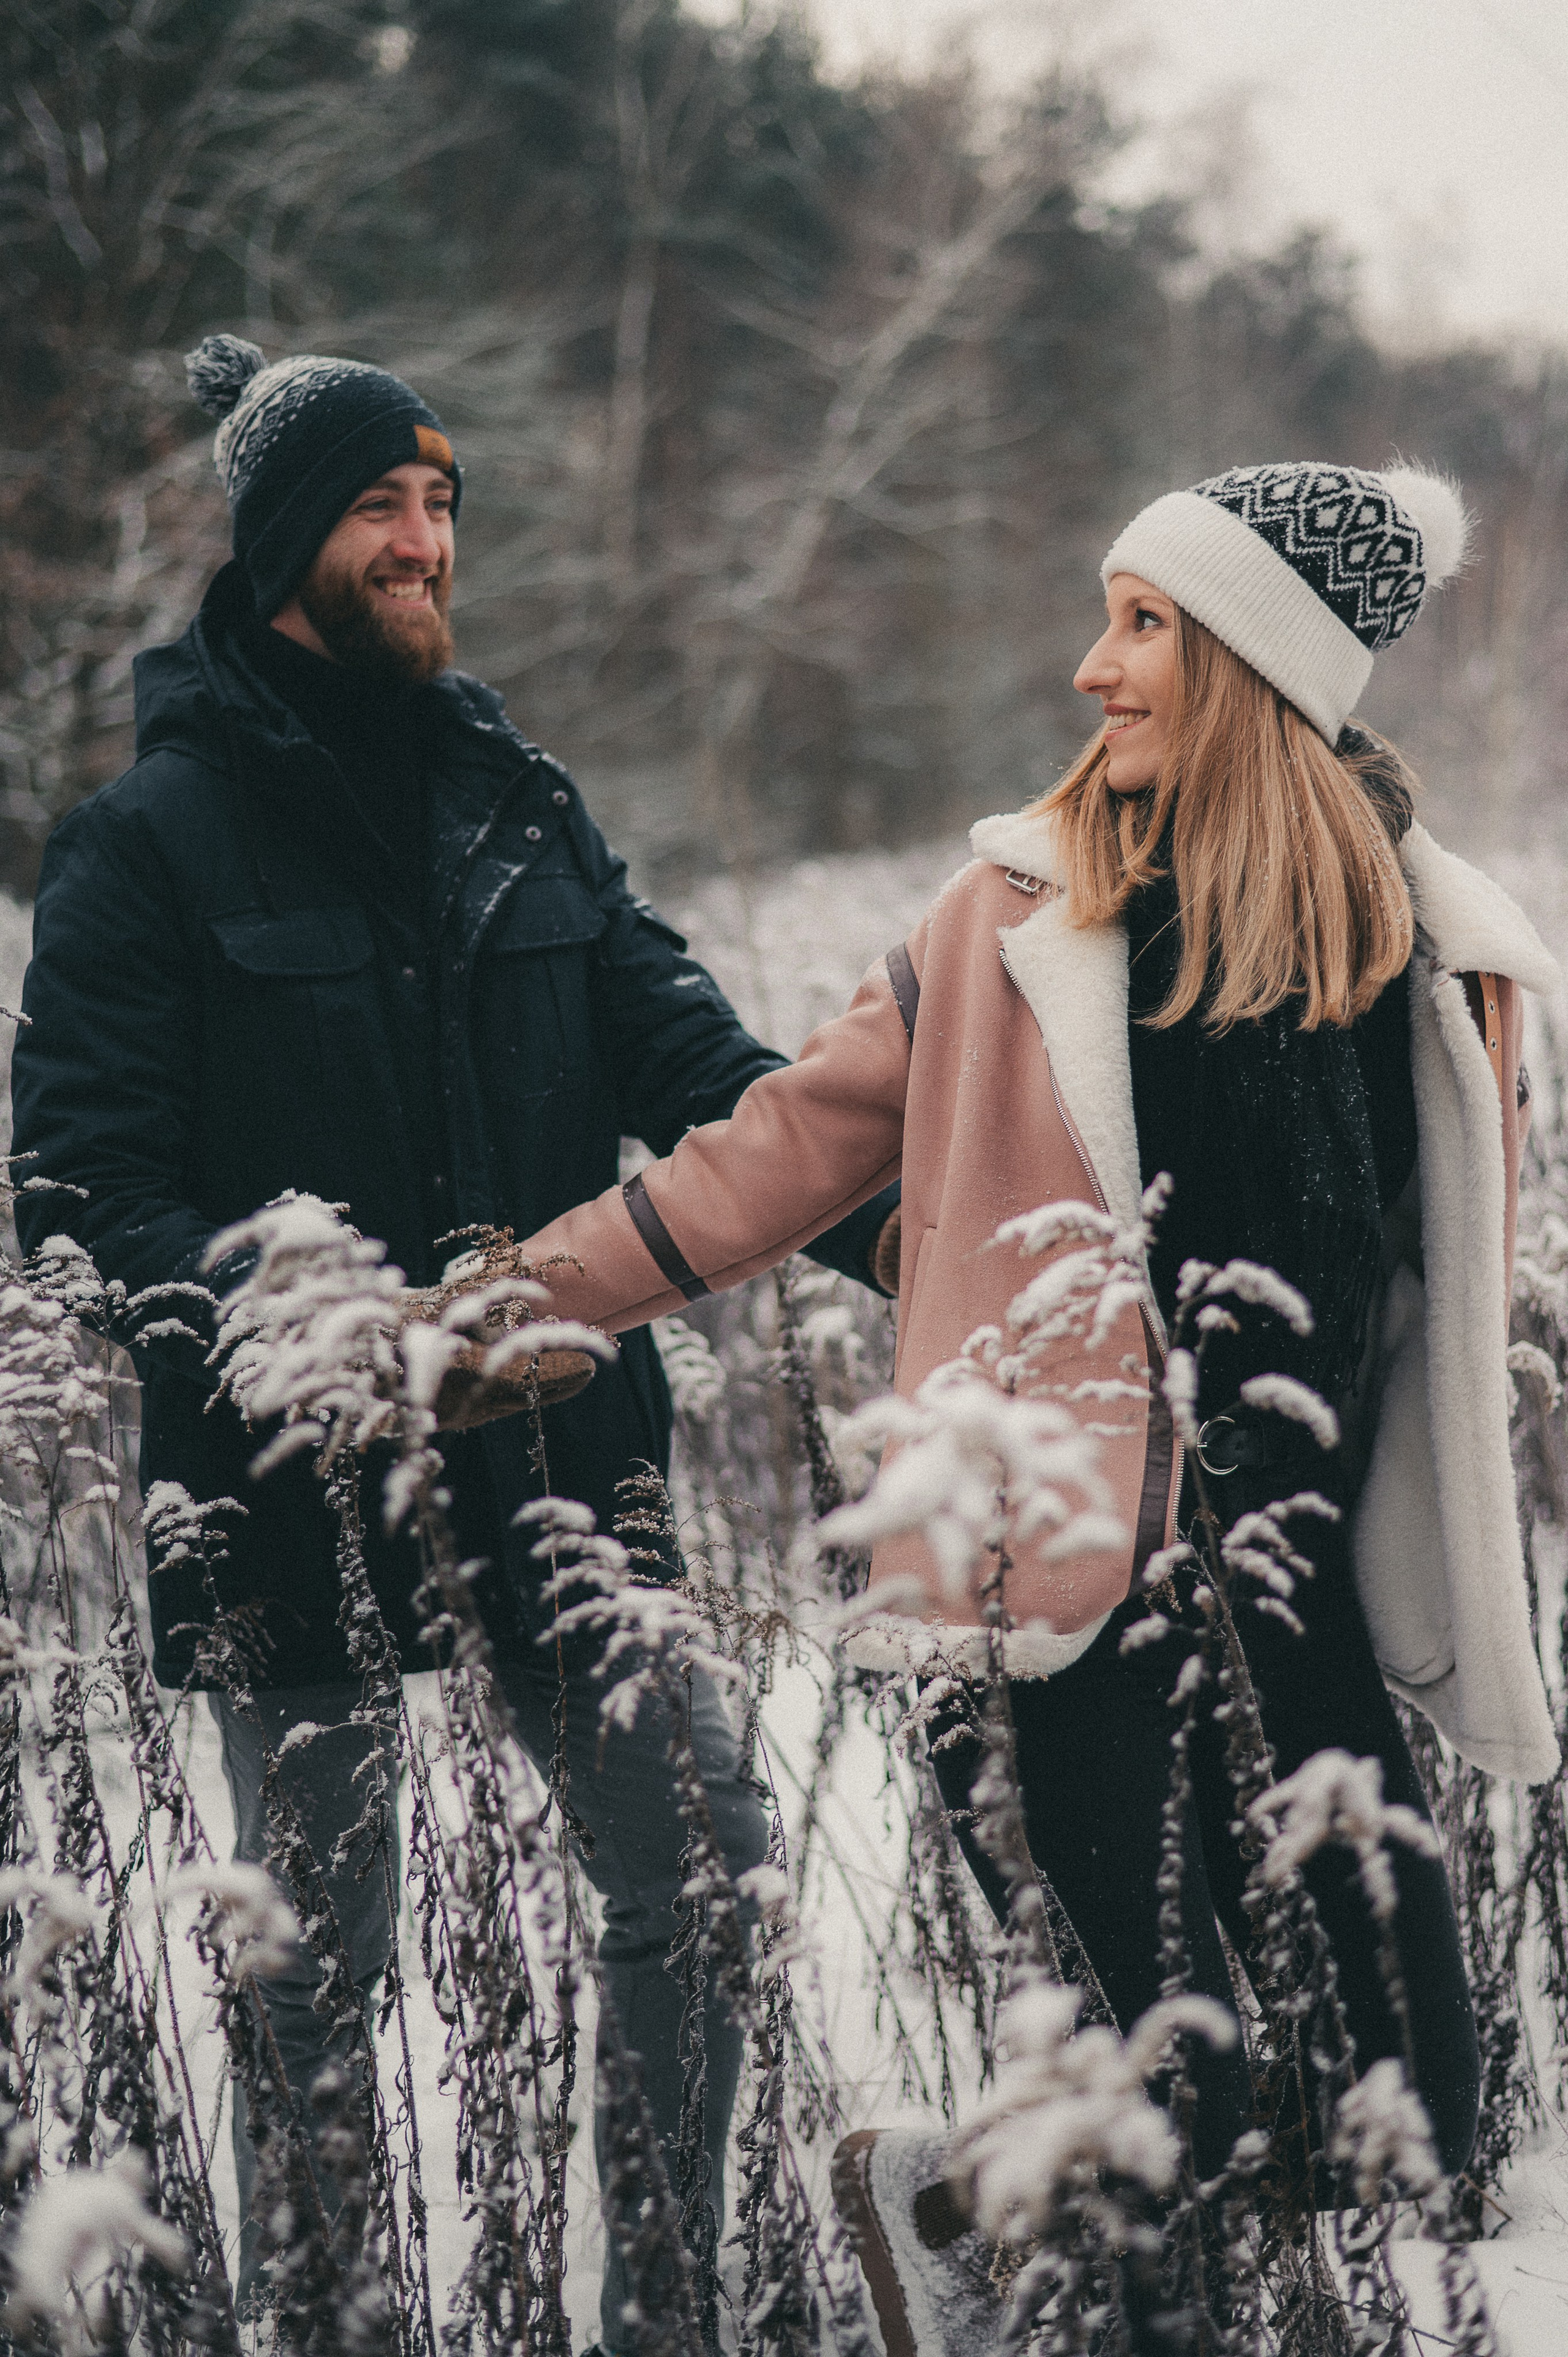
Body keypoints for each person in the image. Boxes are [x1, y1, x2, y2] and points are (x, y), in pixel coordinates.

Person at [491, 460, 1562, 2331]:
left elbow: (1428, 1307)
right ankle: (986, 2229)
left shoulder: (1429, 955)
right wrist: (516, 1301)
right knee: (1170, 2077)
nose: (1093, 667)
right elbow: (777, 1156)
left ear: (1255, 662)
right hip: (1050, 1604)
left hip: (1297, 1608)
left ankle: (1006, 2219)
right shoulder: (1015, 916)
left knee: (1415, 2113)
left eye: (1144, 624)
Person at [9, 333, 897, 2339]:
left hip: (563, 1458)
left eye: (440, 505)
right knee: (316, 1962)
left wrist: (923, 1246)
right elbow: (76, 1187)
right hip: (285, 1482)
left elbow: (709, 1077)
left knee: (707, 1870)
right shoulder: (147, 841)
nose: (422, 541)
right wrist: (319, 1320)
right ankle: (332, 2317)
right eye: (376, 506)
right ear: (277, 547)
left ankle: (659, 2314)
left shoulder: (518, 804)